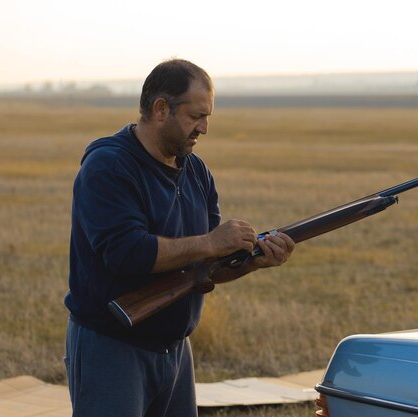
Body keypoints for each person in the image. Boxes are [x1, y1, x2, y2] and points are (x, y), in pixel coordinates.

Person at [63, 59, 295, 417]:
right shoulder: (109, 166)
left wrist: (253, 261)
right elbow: (127, 252)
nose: (203, 128)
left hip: (175, 350)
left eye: (207, 118)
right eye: (195, 116)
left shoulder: (197, 171)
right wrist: (212, 242)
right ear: (160, 109)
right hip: (112, 346)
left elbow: (208, 268)